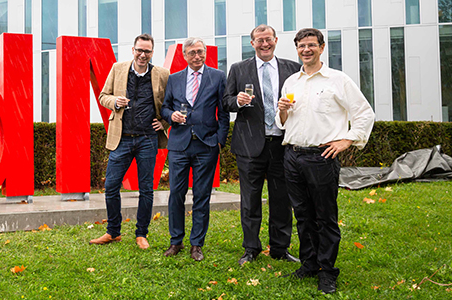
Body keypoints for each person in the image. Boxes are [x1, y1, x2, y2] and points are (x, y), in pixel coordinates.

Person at [276, 28, 375, 294]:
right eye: (301, 46)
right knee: (302, 215)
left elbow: (365, 113)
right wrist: (282, 112)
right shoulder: (291, 82)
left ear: (321, 48)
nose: (305, 50)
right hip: (293, 155)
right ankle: (309, 264)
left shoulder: (337, 80)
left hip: (322, 157)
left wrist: (347, 140)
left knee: (325, 217)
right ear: (296, 49)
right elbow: (283, 123)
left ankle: (327, 271)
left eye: (311, 45)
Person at [223, 25, 301, 266]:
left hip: (282, 144)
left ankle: (280, 248)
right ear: (252, 43)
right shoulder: (238, 69)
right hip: (249, 146)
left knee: (281, 199)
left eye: (268, 39)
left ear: (276, 40)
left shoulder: (292, 68)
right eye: (259, 40)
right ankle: (251, 248)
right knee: (250, 200)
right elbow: (225, 102)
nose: (264, 44)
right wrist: (237, 100)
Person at [90, 33, 170, 250]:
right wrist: (115, 101)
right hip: (122, 139)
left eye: (147, 51)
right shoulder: (118, 69)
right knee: (111, 185)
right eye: (140, 50)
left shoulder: (162, 74)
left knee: (146, 189)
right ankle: (113, 232)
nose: (143, 55)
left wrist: (164, 123)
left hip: (147, 139)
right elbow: (103, 95)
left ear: (152, 53)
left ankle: (141, 233)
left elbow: (171, 103)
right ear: (133, 50)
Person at [161, 37, 229, 261]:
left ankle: (197, 244)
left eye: (200, 52)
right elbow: (165, 107)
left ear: (206, 52)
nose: (197, 56)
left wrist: (220, 140)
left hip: (206, 144)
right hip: (179, 145)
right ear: (184, 55)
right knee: (176, 195)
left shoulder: (218, 77)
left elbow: (224, 110)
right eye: (192, 53)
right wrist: (170, 116)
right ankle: (175, 241)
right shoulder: (174, 79)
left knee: (201, 196)